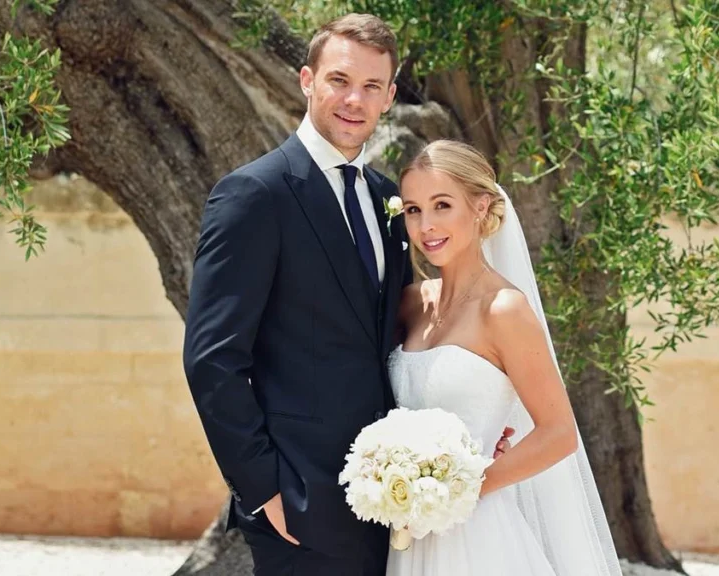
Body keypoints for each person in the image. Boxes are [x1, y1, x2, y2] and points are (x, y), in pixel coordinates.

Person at [182, 14, 510, 576]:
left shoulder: (390, 201)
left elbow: (399, 341)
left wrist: (464, 437)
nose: (355, 100)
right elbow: (212, 360)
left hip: (394, 506)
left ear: (389, 97)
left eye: (371, 86)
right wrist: (265, 490)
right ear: (307, 80)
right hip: (299, 506)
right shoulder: (253, 195)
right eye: (339, 80)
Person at [386, 140, 623, 576]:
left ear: (480, 207)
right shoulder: (411, 303)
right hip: (406, 534)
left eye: (442, 205)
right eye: (414, 210)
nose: (426, 225)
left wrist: (458, 490)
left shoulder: (504, 310)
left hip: (477, 536)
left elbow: (558, 433)